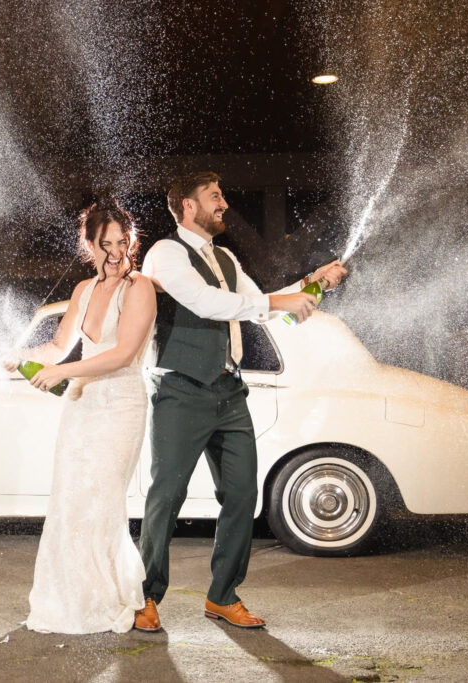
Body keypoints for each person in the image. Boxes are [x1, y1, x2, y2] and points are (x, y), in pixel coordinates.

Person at [135, 171, 347, 631]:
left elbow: (270, 311)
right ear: (187, 207)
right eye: (214, 196)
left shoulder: (228, 258)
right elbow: (207, 303)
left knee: (242, 496)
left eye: (222, 194)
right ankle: (146, 596)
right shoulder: (165, 253)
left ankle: (222, 596)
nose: (224, 203)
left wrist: (314, 285)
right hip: (181, 390)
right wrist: (283, 299)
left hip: (229, 393)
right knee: (165, 497)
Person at [5, 198, 157, 634]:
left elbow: (124, 354)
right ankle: (69, 598)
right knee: (70, 501)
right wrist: (23, 357)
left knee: (103, 503)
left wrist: (61, 373)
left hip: (121, 406)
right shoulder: (82, 291)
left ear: (130, 243)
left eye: (122, 243)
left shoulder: (140, 288)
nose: (115, 253)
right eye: (105, 244)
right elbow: (56, 348)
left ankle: (109, 596)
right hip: (81, 407)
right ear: (88, 245)